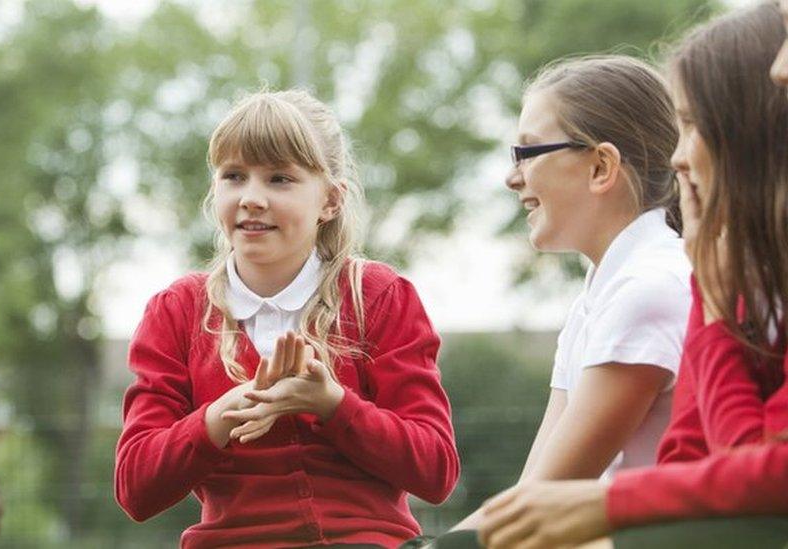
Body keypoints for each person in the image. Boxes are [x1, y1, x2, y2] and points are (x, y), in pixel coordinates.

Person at [471, 3, 788, 548]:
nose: (679, 157)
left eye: (691, 126)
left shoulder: (651, 284)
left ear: (601, 167)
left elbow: (762, 474)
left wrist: (610, 506)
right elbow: (698, 458)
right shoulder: (640, 285)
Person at [115, 89, 459, 548]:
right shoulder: (177, 311)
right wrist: (221, 414)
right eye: (234, 176)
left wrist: (333, 405)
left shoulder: (378, 297)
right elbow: (136, 489)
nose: (251, 198)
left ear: (330, 201)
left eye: (280, 179)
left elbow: (436, 472)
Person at [449, 55, 690, 535]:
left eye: (528, 153)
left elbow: (545, 496)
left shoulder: (649, 288)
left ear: (602, 166)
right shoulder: (600, 296)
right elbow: (529, 492)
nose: (512, 177)